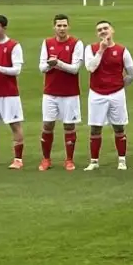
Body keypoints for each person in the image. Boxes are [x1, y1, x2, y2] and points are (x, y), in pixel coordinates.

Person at [84, 20, 133, 171]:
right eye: (99, 29)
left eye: (105, 28)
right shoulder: (91, 49)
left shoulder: (122, 50)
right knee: (95, 127)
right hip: (96, 93)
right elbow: (90, 68)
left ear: (112, 30)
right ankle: (94, 161)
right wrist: (101, 50)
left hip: (116, 94)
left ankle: (122, 160)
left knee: (119, 126)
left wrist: (119, 86)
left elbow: (132, 74)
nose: (103, 31)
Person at [38, 13, 83, 171]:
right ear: (54, 27)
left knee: (69, 125)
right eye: (59, 25)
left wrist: (57, 63)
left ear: (68, 26)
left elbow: (75, 69)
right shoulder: (47, 43)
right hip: (50, 92)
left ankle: (69, 159)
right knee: (47, 124)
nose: (62, 28)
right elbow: (42, 67)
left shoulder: (76, 43)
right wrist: (51, 65)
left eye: (64, 25)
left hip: (70, 93)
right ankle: (46, 159)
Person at [0, 14, 24, 168]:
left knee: (15, 125)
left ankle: (18, 160)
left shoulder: (14, 46)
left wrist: (0, 69)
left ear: (4, 28)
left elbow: (17, 70)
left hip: (9, 94)